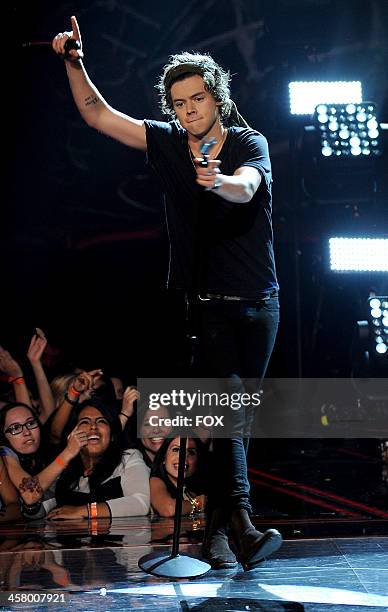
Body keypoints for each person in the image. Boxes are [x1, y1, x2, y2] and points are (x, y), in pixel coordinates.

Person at [51, 16, 282, 570]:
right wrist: (73, 62)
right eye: (179, 104)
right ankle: (243, 525)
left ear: (216, 98)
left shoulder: (249, 141)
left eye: (197, 100)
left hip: (262, 301)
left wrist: (219, 181)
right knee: (230, 415)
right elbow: (98, 115)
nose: (188, 111)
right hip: (209, 306)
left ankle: (217, 537)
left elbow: (248, 184)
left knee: (240, 417)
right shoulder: (170, 144)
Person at [48, 398, 150, 519]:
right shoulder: (64, 465)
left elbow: (140, 503)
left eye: (101, 421)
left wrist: (84, 511)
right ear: (72, 434)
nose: (93, 427)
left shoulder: (128, 458)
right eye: (85, 422)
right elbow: (40, 507)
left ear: (112, 436)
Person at [150, 434, 207, 517]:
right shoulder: (156, 481)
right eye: (176, 450)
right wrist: (197, 505)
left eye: (191, 452)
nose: (183, 457)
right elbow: (169, 509)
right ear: (163, 457)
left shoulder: (192, 492)